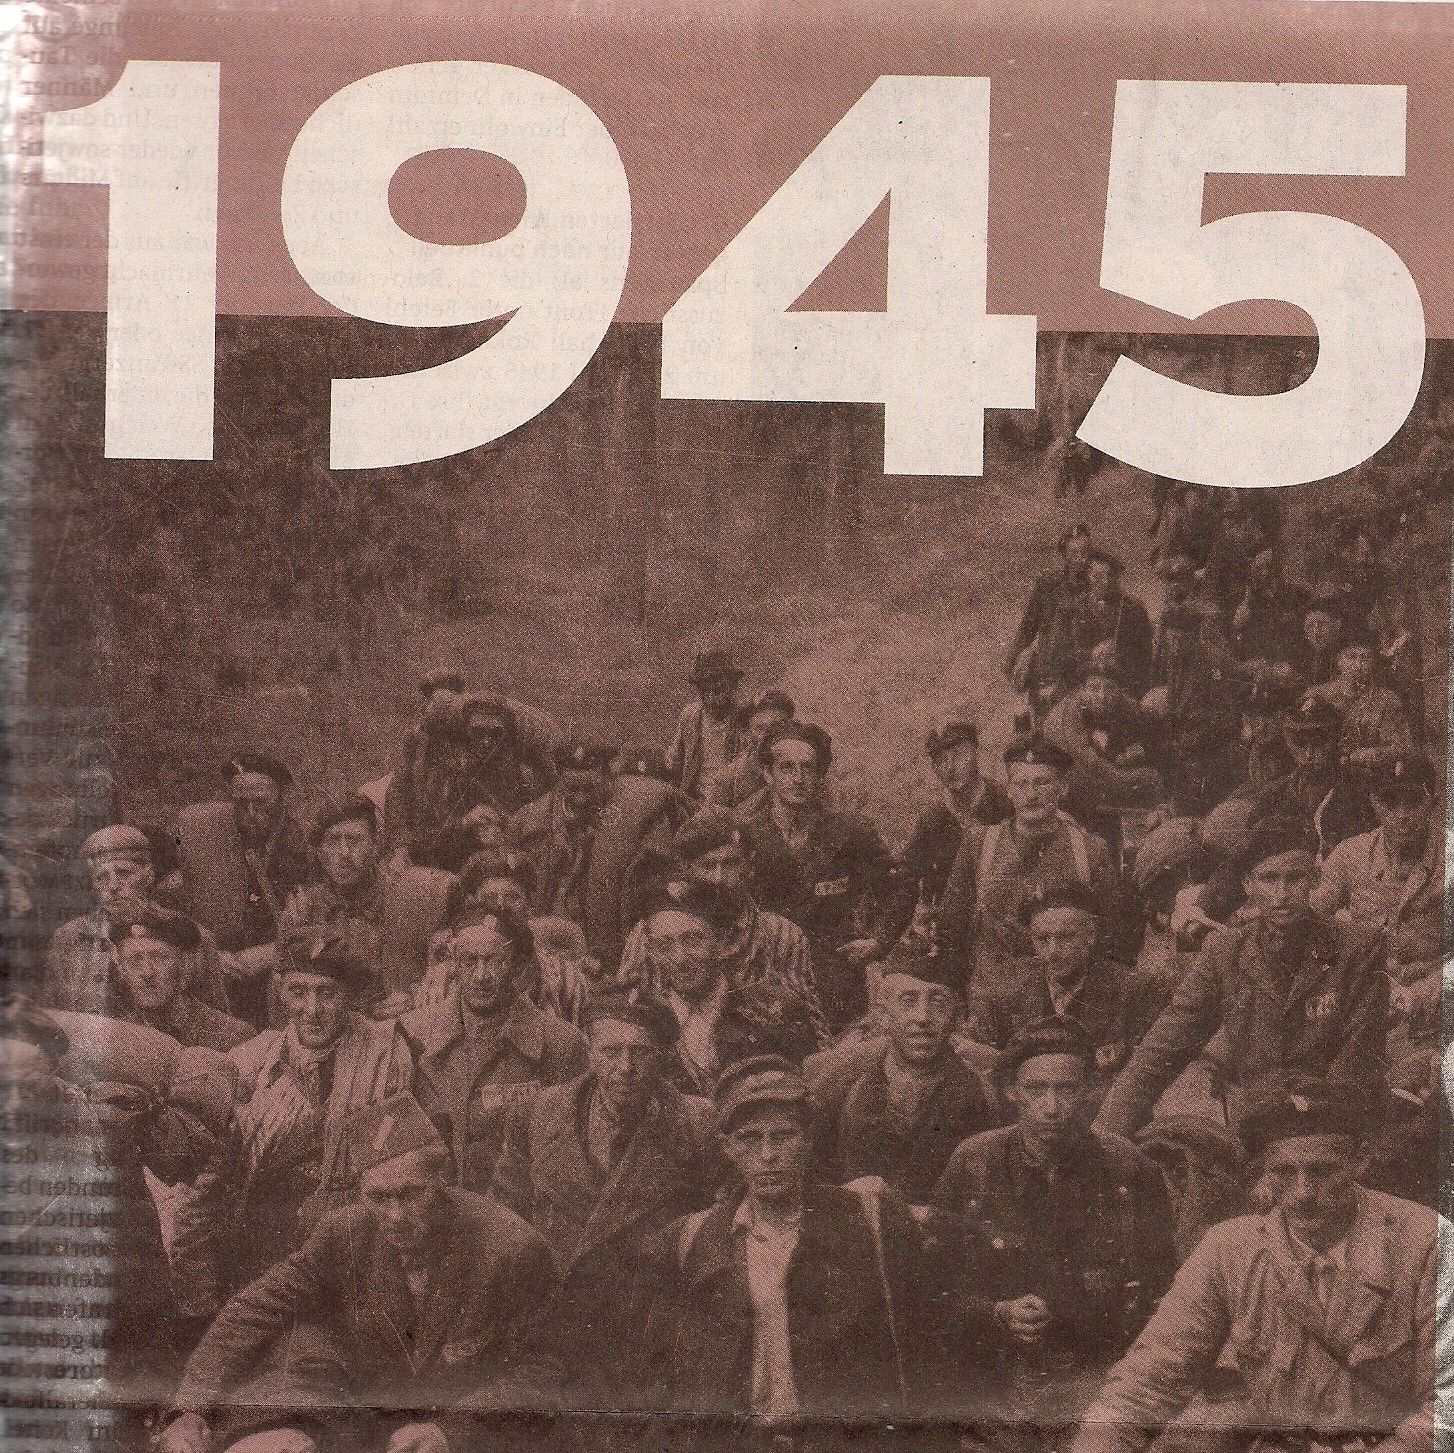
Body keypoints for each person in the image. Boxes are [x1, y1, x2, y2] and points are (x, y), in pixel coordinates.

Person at [160, 1093, 560, 1453]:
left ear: (441, 1181)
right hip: (370, 1424)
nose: (395, 1215)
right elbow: (253, 1310)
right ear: (361, 1193)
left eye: (410, 1194)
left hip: (472, 1428)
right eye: (379, 1198)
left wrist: (452, 1432)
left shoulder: (510, 1248)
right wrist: (192, 1409)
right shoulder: (344, 1232)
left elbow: (546, 1371)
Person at [1071, 1085, 1445, 1453]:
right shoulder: (1230, 1247)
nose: (1303, 1192)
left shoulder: (1425, 1242)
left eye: (1323, 1171)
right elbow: (1147, 1381)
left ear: (1359, 1163)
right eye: (1284, 1172)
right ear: (1264, 1173)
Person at [650, 1055, 937, 1431]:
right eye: (749, 1139)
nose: (768, 1155)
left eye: (783, 1136)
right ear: (727, 1147)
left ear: (808, 1139)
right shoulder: (694, 1239)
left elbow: (924, 1337)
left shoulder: (868, 1221)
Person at [931, 1018, 1176, 1432]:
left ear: (1090, 1092)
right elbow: (933, 1284)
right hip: (991, 1375)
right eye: (1035, 1089)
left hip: (1094, 1372)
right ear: (1011, 1092)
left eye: (1066, 1090)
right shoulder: (974, 1163)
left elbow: (1160, 1288)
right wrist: (996, 1313)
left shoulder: (1128, 1169)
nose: (1051, 1107)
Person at [490, 984, 717, 1413]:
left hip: (647, 1339)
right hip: (550, 1332)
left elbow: (714, 1241)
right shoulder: (537, 1114)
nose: (625, 1068)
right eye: (610, 1051)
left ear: (663, 1056)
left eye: (640, 1052)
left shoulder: (698, 1125)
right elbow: (503, 1222)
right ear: (590, 1051)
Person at [1096, 817, 1389, 1140]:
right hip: (1255, 1124)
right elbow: (1162, 1049)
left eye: (1294, 879)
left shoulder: (1357, 949)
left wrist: (1299, 1124)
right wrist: (1104, 1136)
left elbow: (1356, 1065)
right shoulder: (1226, 951)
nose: (1281, 894)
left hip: (1335, 1126)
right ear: (1248, 885)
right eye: (1269, 879)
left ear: (1315, 879)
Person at [0, 995, 223, 1404]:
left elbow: (141, 1294)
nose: (13, 1106)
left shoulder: (105, 1132)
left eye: (30, 1088)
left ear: (55, 1077)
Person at [228, 927, 413, 1287]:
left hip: (352, 1241)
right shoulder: (253, 1061)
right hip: (265, 1238)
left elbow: (392, 1164)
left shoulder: (385, 1053)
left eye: (326, 993)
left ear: (347, 995)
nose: (312, 1010)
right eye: (298, 992)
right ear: (280, 993)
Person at [396, 907, 587, 1192]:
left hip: (516, 1207)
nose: (481, 976)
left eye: (495, 961)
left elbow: (572, 1150)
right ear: (454, 964)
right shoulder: (413, 1034)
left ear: (517, 966)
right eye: (469, 960)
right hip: (433, 1204)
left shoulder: (559, 1043)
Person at [737, 722, 902, 1032]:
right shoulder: (745, 834)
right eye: (787, 768)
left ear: (820, 774)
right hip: (766, 976)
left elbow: (899, 886)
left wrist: (880, 941)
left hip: (835, 978)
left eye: (807, 768)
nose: (798, 779)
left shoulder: (848, 832)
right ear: (768, 773)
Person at [807, 930, 993, 1205]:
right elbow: (815, 1174)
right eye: (908, 1001)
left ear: (957, 1017)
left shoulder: (984, 1091)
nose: (923, 1017)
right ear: (884, 1015)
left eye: (938, 1003)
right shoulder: (840, 1080)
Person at [617, 810, 830, 1045]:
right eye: (707, 866)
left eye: (730, 864)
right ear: (687, 870)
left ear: (748, 867)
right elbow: (625, 1015)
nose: (718, 878)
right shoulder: (650, 933)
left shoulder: (781, 935)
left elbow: (811, 1027)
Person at [937, 735, 1120, 990]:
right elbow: (951, 925)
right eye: (1021, 784)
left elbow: (1111, 934)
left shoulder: (1089, 850)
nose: (1031, 795)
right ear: (1009, 790)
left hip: (1065, 994)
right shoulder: (980, 844)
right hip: (994, 993)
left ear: (1062, 788)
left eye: (1042, 783)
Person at [963, 882, 1159, 1103]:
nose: (1053, 951)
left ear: (1090, 936)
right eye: (1042, 939)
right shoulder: (1005, 990)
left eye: (1065, 937)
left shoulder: (1133, 989)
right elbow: (979, 1059)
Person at [43, 824, 229, 1015]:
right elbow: (52, 1017)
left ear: (148, 875)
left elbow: (216, 1018)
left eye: (124, 873)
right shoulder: (69, 939)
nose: (113, 886)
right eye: (101, 877)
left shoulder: (192, 936)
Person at [280, 795, 451, 1002]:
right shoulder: (306, 905)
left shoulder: (406, 895)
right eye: (333, 840)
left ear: (375, 845)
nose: (344, 852)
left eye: (354, 840)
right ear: (320, 851)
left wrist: (417, 991)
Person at [879, 708, 1014, 949]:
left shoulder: (1005, 806)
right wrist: (886, 937)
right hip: (949, 935)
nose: (950, 767)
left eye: (959, 755)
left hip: (1002, 929)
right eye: (941, 761)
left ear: (976, 753)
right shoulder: (933, 819)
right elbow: (905, 878)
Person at [383, 689, 543, 870]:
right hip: (438, 859)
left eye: (495, 734)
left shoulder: (513, 773)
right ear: (464, 730)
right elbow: (422, 832)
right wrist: (465, 823)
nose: (487, 742)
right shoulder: (440, 769)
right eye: (479, 732)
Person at [108, 903, 252, 1052]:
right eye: (134, 960)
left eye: (159, 958)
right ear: (121, 969)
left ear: (185, 965)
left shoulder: (231, 1036)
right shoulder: (116, 1039)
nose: (147, 972)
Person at [509, 740, 616, 924]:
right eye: (572, 789)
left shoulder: (620, 821)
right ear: (559, 780)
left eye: (590, 789)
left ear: (604, 781)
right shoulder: (526, 822)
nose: (581, 799)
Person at [1004, 523, 1093, 713]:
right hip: (1047, 670)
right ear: (1065, 555)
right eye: (1074, 553)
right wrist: (1012, 663)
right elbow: (1028, 627)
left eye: (1085, 552)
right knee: (1043, 719)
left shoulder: (1098, 584)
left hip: (1081, 673)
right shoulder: (1048, 584)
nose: (1081, 558)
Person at [1306, 636, 1415, 771]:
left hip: (1367, 773)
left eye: (1365, 658)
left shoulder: (1387, 699)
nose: (1358, 665)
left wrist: (1359, 757)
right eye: (1351, 657)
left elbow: (1402, 747)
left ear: (1373, 662)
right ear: (1339, 661)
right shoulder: (1317, 695)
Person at [666, 649, 747, 800]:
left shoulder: (745, 719)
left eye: (718, 690)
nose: (710, 698)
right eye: (704, 691)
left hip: (731, 802)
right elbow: (675, 759)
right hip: (693, 799)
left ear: (732, 688)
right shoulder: (690, 716)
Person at [705, 688, 794, 813]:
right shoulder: (728, 779)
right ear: (746, 734)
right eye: (761, 728)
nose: (770, 735)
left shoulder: (806, 767)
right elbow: (707, 822)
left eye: (779, 726)